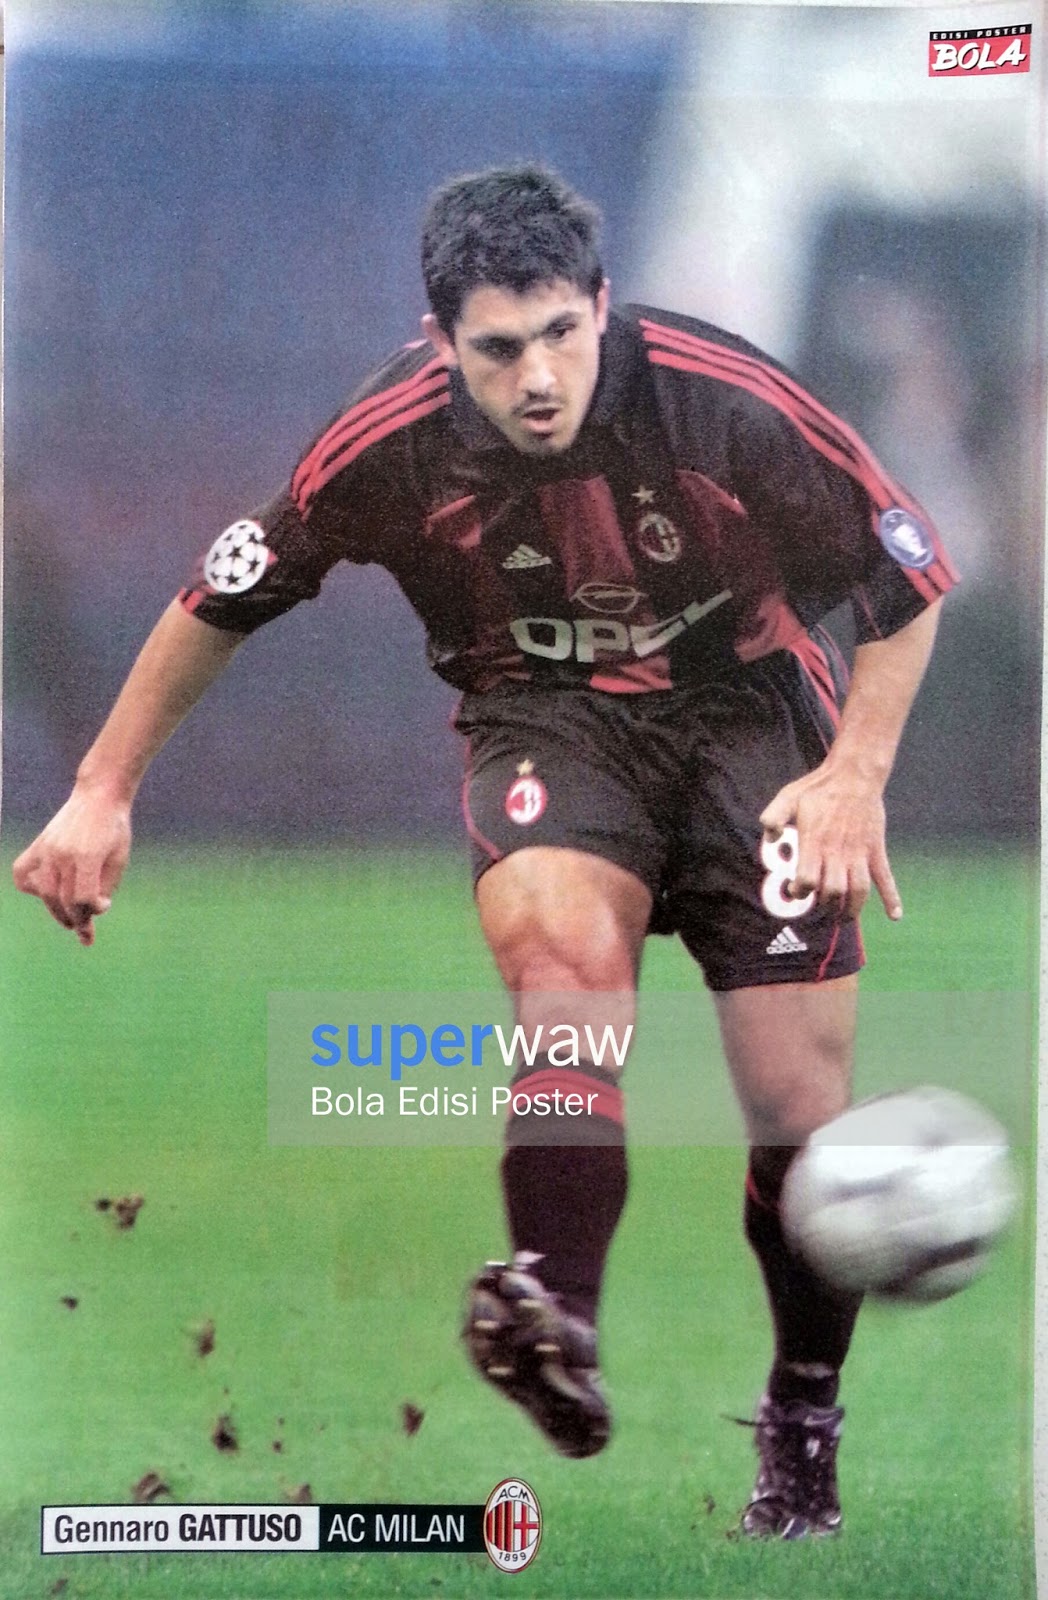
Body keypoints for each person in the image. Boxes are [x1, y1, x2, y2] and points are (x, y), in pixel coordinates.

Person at [13, 165, 955, 1539]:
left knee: (799, 1118)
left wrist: (855, 774)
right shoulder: (388, 441)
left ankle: (803, 1417)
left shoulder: (721, 397)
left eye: (561, 333)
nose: (538, 377)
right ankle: (552, 1310)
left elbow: (907, 575)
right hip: (546, 723)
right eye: (500, 348)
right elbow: (222, 595)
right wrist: (101, 790)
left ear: (604, 305)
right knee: (564, 979)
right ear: (441, 340)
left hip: (754, 724)